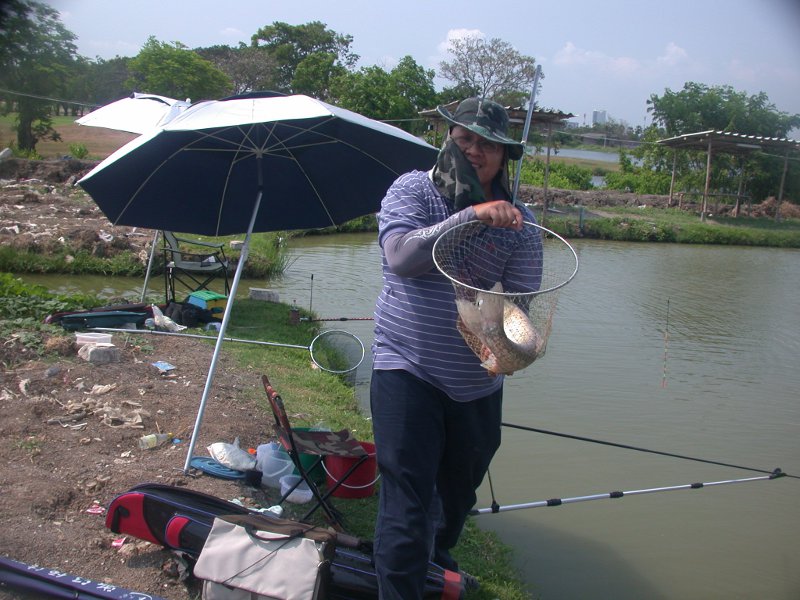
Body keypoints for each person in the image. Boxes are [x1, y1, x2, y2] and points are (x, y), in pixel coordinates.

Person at [370, 97, 541, 599]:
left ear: (505, 155)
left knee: (454, 499)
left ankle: (435, 563)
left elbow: (519, 302)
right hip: (408, 365)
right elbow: (401, 257)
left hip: (476, 382)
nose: (474, 151)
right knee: (406, 500)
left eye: (487, 144)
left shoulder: (522, 225)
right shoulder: (413, 189)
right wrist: (471, 215)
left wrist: (514, 340)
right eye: (464, 139)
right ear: (449, 141)